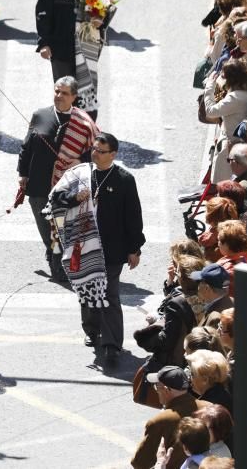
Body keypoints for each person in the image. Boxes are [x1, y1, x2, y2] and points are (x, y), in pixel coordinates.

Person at [48, 133, 145, 364]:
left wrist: (134, 249)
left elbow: (133, 217)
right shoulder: (80, 173)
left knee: (109, 293)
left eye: (100, 151)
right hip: (82, 245)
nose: (95, 153)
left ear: (113, 154)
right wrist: (74, 197)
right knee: (87, 287)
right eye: (93, 149)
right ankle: (91, 330)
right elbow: (56, 197)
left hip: (111, 249)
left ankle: (112, 344)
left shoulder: (124, 179)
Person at [17, 76, 99, 281]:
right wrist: (22, 174)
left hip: (67, 185)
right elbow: (26, 147)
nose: (59, 96)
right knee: (44, 223)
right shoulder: (40, 115)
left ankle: (60, 259)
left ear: (74, 96)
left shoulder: (84, 123)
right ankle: (51, 249)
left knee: (63, 224)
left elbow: (94, 153)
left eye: (64, 93)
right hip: (38, 182)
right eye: (56, 91)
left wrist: (79, 159)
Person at [34, 0, 112, 119]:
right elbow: (43, 18)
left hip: (87, 47)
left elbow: (107, 10)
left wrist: (101, 22)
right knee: (65, 87)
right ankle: (64, 121)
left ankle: (86, 123)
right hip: (61, 50)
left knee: (86, 88)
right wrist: (44, 44)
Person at [131, 367, 200, 469]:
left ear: (166, 390)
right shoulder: (208, 407)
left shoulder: (160, 421)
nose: (156, 390)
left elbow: (140, 462)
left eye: (157, 386)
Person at [203, 59, 247, 182]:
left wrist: (209, 87)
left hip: (231, 146)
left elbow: (210, 111)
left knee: (223, 182)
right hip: (246, 145)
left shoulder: (234, 97)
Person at [190, 263, 233, 329]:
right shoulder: (233, 301)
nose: (197, 287)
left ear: (207, 288)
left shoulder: (215, 318)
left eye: (199, 282)